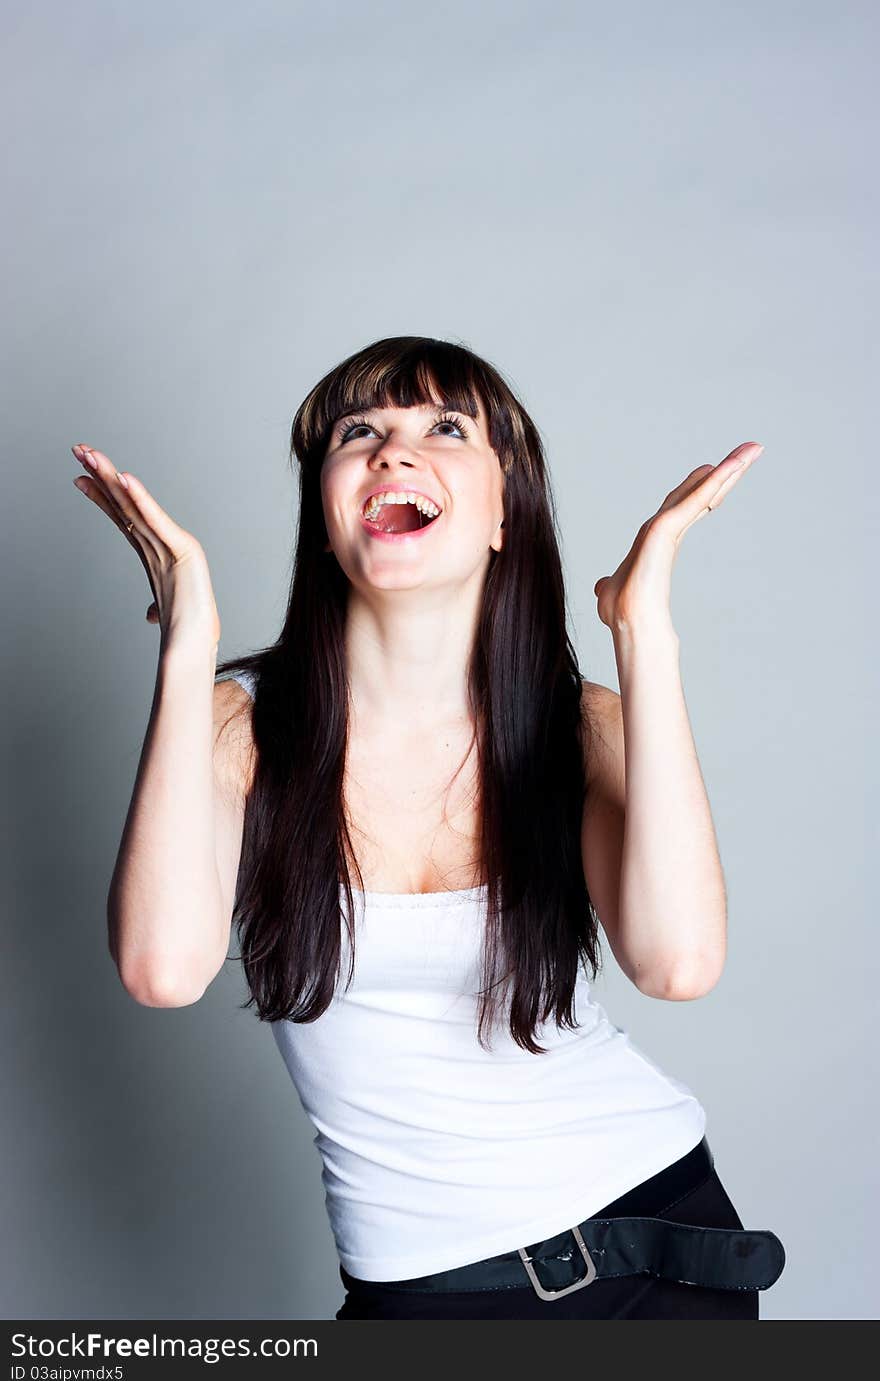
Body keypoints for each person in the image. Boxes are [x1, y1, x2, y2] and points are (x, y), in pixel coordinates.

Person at [73, 335, 784, 1319]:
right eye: (359, 431)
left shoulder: (584, 727)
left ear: (503, 512)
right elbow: (162, 968)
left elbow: (677, 963)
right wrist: (186, 648)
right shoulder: (236, 725)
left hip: (654, 1246)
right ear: (325, 520)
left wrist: (641, 633)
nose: (394, 453)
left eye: (445, 428)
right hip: (423, 1294)